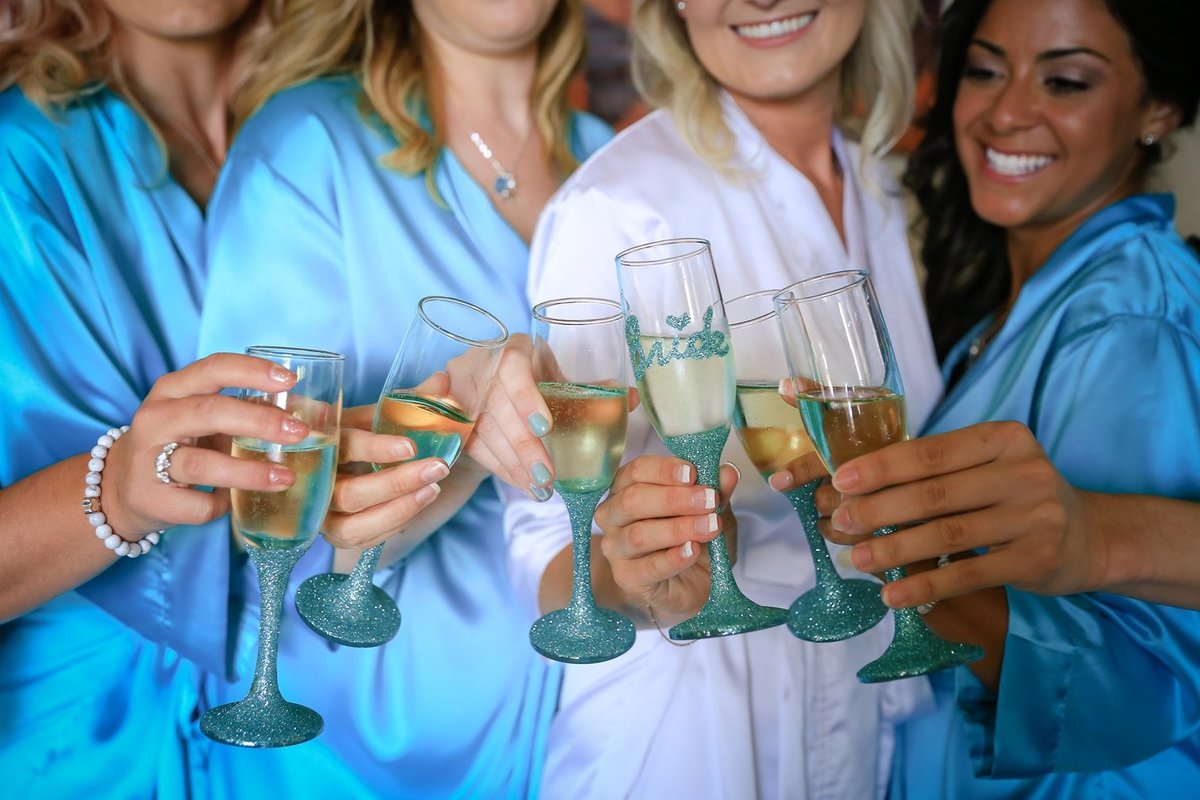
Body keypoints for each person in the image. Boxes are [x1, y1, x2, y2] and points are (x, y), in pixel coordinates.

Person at [0, 1, 450, 794]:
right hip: (85, 739)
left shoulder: (350, 128)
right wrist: (116, 490)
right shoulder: (19, 163)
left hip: (324, 703)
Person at [498, 0, 943, 797]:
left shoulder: (882, 187)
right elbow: (539, 526)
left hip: (862, 705)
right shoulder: (620, 207)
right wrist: (639, 576)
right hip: (684, 729)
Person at [196, 0, 611, 795]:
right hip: (369, 747)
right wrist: (462, 409)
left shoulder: (612, 165)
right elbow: (270, 507)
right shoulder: (305, 146)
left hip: (600, 725)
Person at [804, 0, 1200, 796]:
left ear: (1157, 107)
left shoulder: (1127, 316)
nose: (1008, 111)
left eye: (1066, 81)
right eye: (984, 70)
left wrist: (890, 549)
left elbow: (1145, 673)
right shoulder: (1017, 302)